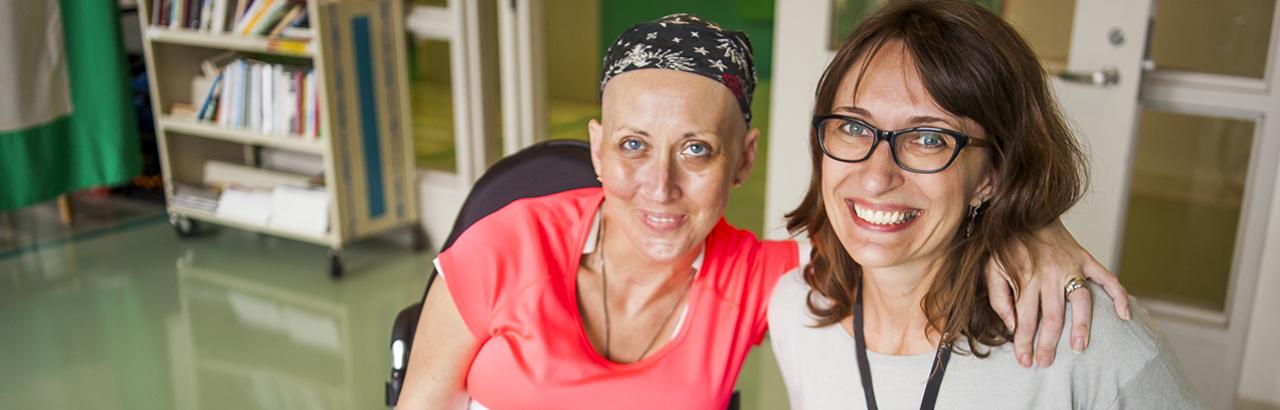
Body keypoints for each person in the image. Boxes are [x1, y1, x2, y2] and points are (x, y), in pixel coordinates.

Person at [399, 13, 1130, 410]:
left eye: (696, 151)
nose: (659, 186)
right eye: (631, 145)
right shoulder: (506, 245)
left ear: (743, 159)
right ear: (595, 150)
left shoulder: (760, 282)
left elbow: (890, 236)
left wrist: (1029, 227)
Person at [769, 1, 1201, 408]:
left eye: (929, 139)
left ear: (992, 176)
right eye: (853, 126)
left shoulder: (1088, 344)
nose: (877, 176)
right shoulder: (798, 311)